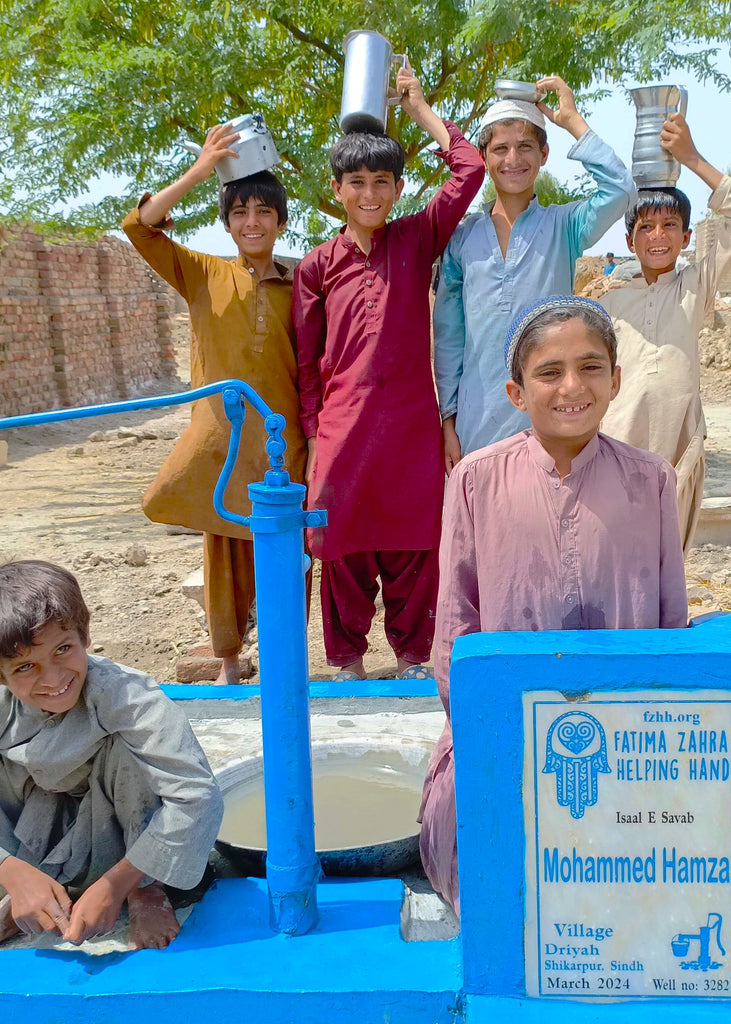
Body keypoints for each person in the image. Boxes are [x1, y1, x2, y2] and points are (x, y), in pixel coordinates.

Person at [419, 297, 688, 913]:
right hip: (502, 729)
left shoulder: (649, 480)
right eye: (549, 372)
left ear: (616, 381)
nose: (572, 387)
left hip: (627, 740)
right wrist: (484, 728)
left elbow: (672, 622)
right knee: (483, 853)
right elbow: (457, 628)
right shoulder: (475, 480)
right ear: (517, 391)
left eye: (591, 368)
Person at [0, 560, 223, 949]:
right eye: (25, 666)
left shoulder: (126, 697)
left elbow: (195, 795)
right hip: (39, 832)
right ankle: (32, 888)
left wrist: (118, 883)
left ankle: (145, 888)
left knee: (130, 751)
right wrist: (10, 873)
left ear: (84, 635)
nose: (54, 678)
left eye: (63, 649)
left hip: (119, 824)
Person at [293, 65, 484, 682]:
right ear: (337, 188)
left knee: (413, 546)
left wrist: (420, 107)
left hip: (409, 426)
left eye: (382, 182)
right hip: (344, 428)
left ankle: (411, 658)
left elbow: (471, 170)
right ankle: (346, 661)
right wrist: (315, 436)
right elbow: (306, 361)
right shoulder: (318, 265)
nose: (369, 194)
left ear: (399, 187)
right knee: (341, 547)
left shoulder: (417, 238)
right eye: (356, 183)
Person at [123, 128, 307, 683]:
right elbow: (139, 227)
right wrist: (202, 170)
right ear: (226, 222)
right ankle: (229, 662)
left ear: (280, 221)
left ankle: (283, 663)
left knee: (286, 556)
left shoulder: (302, 282)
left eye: (264, 213)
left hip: (283, 440)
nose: (253, 223)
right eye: (241, 213)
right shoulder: (201, 273)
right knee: (223, 553)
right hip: (224, 441)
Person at [433, 77, 635, 468]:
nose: (513, 159)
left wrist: (572, 120)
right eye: (501, 148)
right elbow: (448, 337)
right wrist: (448, 420)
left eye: (525, 146)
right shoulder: (461, 238)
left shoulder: (565, 226)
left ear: (544, 154)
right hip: (478, 420)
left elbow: (621, 190)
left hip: (552, 411)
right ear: (484, 156)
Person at [599, 112, 731, 551]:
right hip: (616, 440)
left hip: (678, 444)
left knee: (667, 553)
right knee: (613, 547)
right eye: (646, 227)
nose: (658, 236)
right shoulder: (608, 298)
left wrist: (691, 158)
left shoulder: (696, 285)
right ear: (629, 238)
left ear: (687, 236)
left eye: (670, 226)